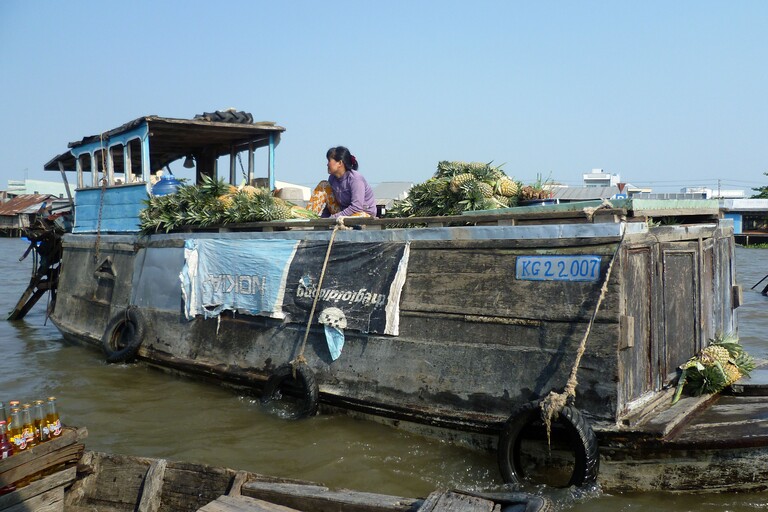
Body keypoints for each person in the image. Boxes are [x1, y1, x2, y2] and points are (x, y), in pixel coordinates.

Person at [307, 146, 377, 218]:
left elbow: (357, 207)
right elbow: (329, 203)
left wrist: (333, 218)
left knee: (358, 215)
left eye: (329, 161)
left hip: (362, 213)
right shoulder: (332, 178)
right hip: (343, 214)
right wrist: (323, 219)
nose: (327, 164)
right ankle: (309, 217)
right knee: (323, 185)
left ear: (340, 163)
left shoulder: (355, 179)